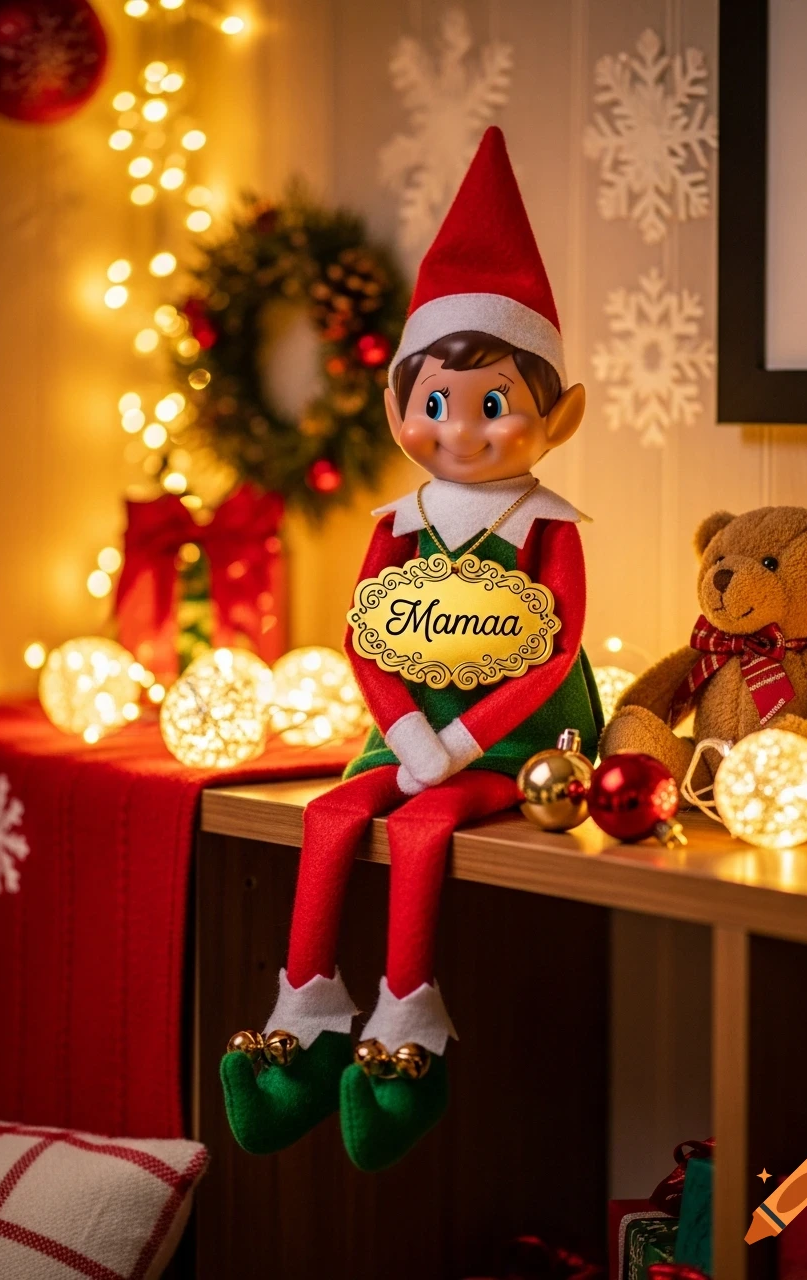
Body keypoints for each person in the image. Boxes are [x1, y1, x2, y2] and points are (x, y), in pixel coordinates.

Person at [221, 126, 603, 1171]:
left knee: (428, 821)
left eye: (494, 406)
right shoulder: (396, 525)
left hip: (511, 747)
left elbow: (553, 649)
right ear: (399, 408)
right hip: (405, 729)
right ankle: (302, 1012)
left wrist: (458, 739)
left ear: (552, 414)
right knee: (339, 807)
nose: (463, 430)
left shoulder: (547, 529)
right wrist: (399, 727)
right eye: (436, 403)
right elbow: (363, 636)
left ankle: (406, 1030)